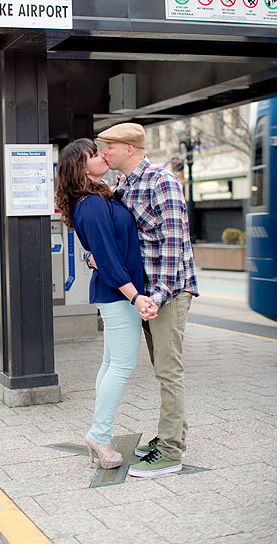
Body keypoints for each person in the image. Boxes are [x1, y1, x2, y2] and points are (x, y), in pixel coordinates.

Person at [97, 122, 199, 478]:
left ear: (129, 149)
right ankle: (173, 436)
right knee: (163, 368)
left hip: (167, 292)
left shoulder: (162, 181)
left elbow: (174, 243)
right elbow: (112, 240)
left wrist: (156, 297)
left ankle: (171, 451)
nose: (103, 153)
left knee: (168, 371)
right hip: (146, 296)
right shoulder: (121, 186)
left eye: (107, 146)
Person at [55, 139, 158, 470]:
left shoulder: (97, 198)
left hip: (113, 293)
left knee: (111, 364)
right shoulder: (93, 205)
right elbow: (110, 260)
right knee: (122, 366)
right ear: (82, 167)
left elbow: (102, 254)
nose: (102, 156)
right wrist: (136, 296)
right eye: (94, 155)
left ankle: (99, 435)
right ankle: (100, 437)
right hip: (118, 294)